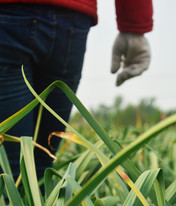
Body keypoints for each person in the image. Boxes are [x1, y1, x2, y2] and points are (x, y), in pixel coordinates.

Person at [0, 0, 153, 181]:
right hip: (71, 21)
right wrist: (134, 26)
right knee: (42, 165)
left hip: (7, 13)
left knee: (9, 172)